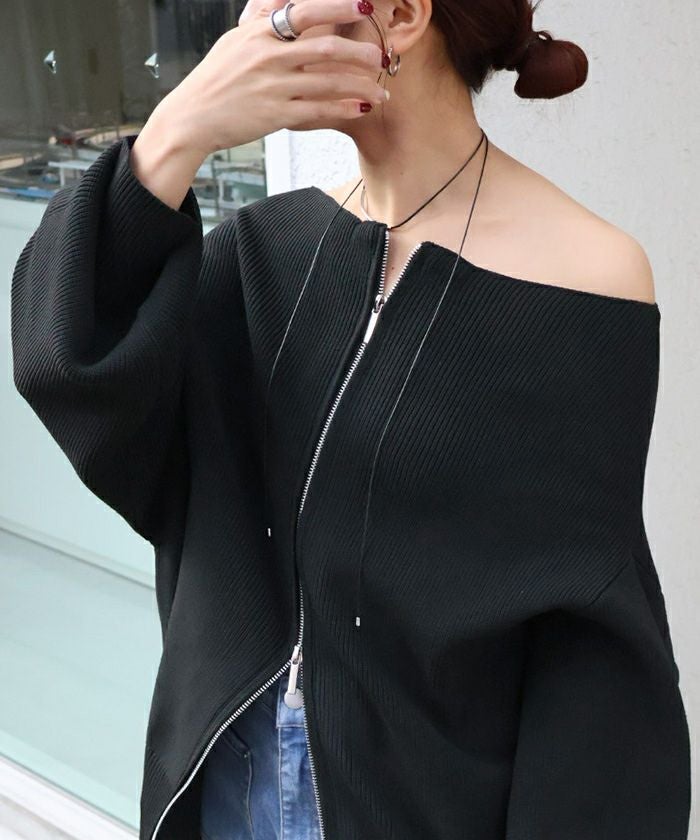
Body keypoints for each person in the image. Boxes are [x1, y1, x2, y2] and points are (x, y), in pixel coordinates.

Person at [10, 0, 691, 837]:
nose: (256, 18)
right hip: (226, 795)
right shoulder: (259, 255)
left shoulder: (583, 278)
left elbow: (585, 640)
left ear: (398, 15)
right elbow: (70, 368)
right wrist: (175, 132)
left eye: (283, 2)